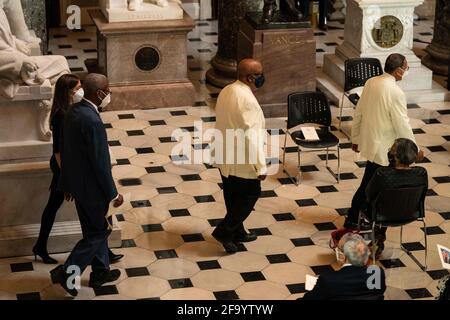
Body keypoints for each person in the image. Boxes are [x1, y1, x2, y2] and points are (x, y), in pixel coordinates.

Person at [33, 74, 123, 265]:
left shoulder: (74, 111)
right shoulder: (68, 115)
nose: (79, 91)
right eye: (76, 88)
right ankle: (63, 267)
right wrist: (67, 180)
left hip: (72, 172)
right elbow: (60, 151)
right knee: (96, 226)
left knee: (94, 225)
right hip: (68, 171)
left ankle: (102, 265)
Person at [344, 53, 424, 230]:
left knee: (368, 184)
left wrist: (355, 138)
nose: (406, 71)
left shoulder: (371, 82)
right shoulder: (396, 92)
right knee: (374, 188)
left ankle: (355, 219)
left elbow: (360, 112)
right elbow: (402, 124)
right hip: (387, 150)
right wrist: (415, 149)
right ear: (398, 72)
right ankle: (366, 222)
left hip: (371, 143)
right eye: (406, 68)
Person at [212, 59, 267, 253]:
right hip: (242, 160)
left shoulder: (227, 90)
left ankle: (238, 231)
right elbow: (252, 136)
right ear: (250, 77)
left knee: (232, 195)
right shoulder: (247, 100)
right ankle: (224, 231)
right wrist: (260, 166)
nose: (262, 78)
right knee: (250, 194)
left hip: (225, 155)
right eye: (260, 74)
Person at [364, 138, 428, 258]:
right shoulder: (421, 173)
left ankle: (377, 239)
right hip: (411, 214)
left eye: (392, 150)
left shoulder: (382, 174)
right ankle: (379, 238)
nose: (389, 152)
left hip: (382, 215)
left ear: (397, 156)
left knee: (374, 204)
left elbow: (368, 194)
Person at [303, 233, 386, 300]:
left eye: (337, 249)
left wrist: (318, 288)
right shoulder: (378, 273)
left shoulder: (328, 280)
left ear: (343, 256)